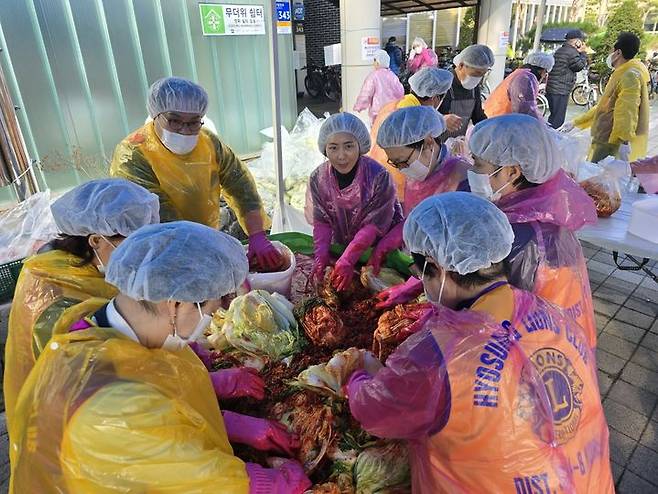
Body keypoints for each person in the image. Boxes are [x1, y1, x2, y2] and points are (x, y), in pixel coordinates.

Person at [9, 221, 310, 493]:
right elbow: (199, 480)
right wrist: (266, 483)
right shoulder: (114, 411)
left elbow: (161, 389)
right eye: (210, 311)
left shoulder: (106, 326)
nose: (213, 318)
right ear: (177, 303)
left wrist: (230, 422)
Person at [346, 192, 614, 493]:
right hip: (588, 482)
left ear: (435, 266)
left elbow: (371, 411)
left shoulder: (434, 357)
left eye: (419, 272)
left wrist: (357, 373)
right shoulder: (553, 314)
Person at [378, 114, 598, 350]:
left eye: (479, 164)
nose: (472, 170)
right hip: (567, 346)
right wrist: (419, 283)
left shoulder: (520, 238)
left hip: (532, 350)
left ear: (512, 172)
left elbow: (488, 316)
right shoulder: (525, 211)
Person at [3, 178, 160, 433]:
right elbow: (89, 372)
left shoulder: (85, 267)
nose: (139, 254)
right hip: (63, 423)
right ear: (96, 240)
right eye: (131, 244)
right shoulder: (51, 289)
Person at [110, 76, 282, 270]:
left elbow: (240, 185)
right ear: (156, 114)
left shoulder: (208, 142)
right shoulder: (133, 153)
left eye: (193, 123)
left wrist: (256, 234)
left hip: (204, 236)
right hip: (158, 249)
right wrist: (205, 250)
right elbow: (157, 215)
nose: (184, 130)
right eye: (174, 121)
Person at [368, 106, 470, 274]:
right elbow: (415, 217)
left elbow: (461, 252)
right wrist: (387, 243)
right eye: (396, 163)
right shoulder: (417, 177)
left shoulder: (462, 180)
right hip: (420, 266)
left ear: (429, 142)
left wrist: (423, 279)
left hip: (449, 278)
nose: (402, 169)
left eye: (404, 161)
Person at [306, 113, 402, 290]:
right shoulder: (318, 178)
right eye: (333, 148)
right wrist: (321, 257)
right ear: (324, 149)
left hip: (379, 248)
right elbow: (322, 222)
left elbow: (374, 226)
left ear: (361, 145)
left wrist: (348, 258)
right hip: (343, 246)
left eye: (348, 146)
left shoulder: (378, 176)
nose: (341, 156)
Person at [369, 67, 454, 200]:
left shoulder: (394, 106)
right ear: (435, 98)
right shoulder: (414, 119)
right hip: (398, 186)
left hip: (380, 178)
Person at [563, 32, 650, 163]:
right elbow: (604, 107)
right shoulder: (621, 73)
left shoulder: (629, 76)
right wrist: (575, 122)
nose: (610, 53)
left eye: (611, 49)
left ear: (618, 52)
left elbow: (627, 112)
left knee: (596, 178)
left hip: (611, 141)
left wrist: (623, 141)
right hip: (605, 137)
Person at [438, 44, 494, 138]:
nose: (478, 78)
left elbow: (478, 117)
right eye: (476, 73)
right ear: (461, 66)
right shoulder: (442, 83)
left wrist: (490, 129)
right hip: (435, 145)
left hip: (458, 145)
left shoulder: (474, 88)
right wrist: (441, 119)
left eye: (482, 75)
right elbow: (424, 115)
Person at [484, 51, 555, 120]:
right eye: (546, 73)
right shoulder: (525, 78)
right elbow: (525, 108)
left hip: (494, 117)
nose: (544, 77)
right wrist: (541, 126)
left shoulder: (520, 73)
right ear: (542, 71)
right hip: (498, 120)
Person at [545, 29, 589, 129]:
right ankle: (552, 140)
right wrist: (583, 53)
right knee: (558, 120)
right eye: (581, 41)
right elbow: (579, 66)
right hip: (560, 89)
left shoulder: (561, 50)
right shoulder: (571, 52)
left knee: (553, 118)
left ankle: (548, 137)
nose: (582, 43)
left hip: (553, 88)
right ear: (577, 41)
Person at [353, 49, 405, 125]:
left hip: (378, 112)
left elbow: (366, 93)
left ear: (377, 62)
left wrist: (359, 106)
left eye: (374, 61)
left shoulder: (373, 76)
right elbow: (400, 92)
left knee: (377, 133)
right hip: (392, 111)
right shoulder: (393, 76)